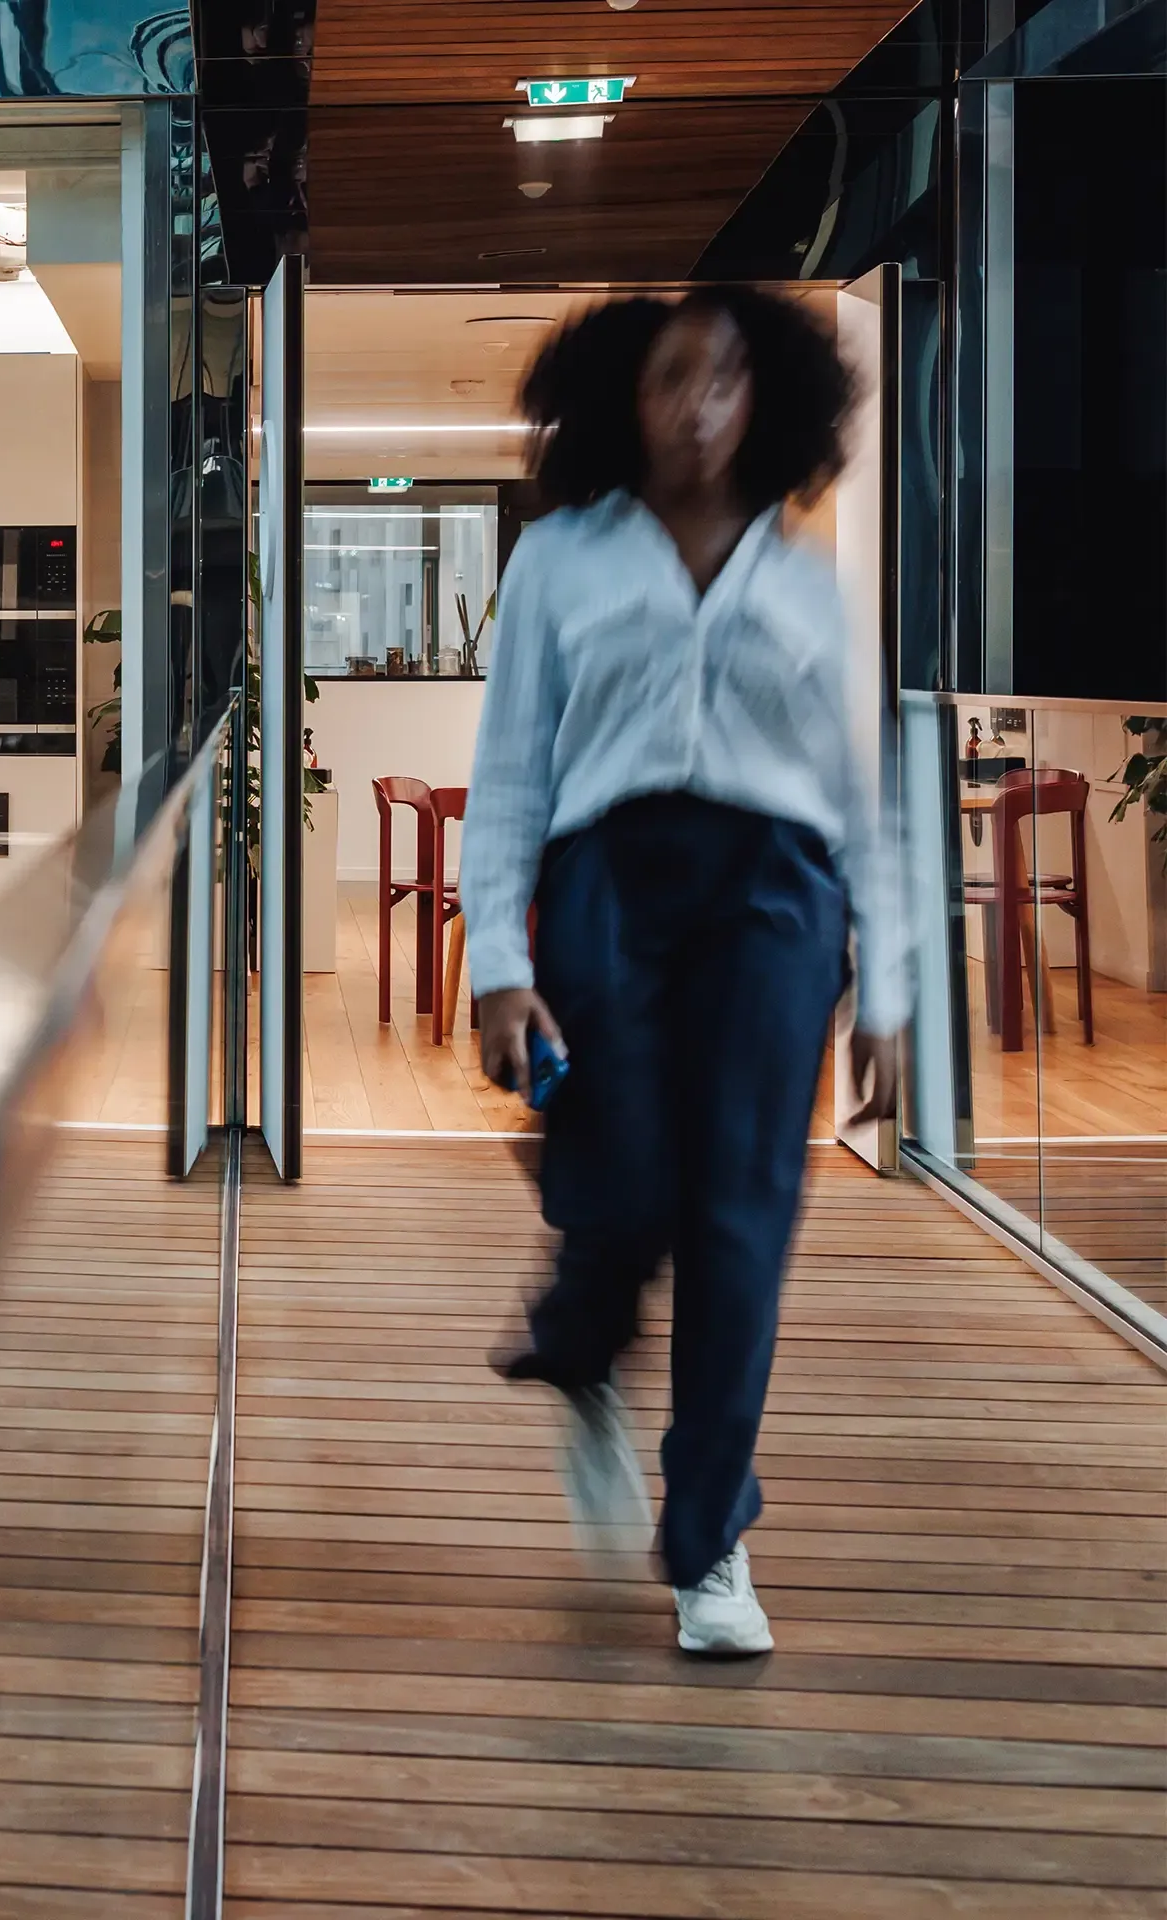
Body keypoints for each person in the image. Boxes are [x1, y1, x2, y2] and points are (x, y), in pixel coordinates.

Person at [465, 288, 903, 1658]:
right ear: (627, 397)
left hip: (776, 897)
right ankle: (583, 1344)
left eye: (724, 380)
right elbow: (510, 770)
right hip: (610, 881)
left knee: (740, 1220)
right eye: (671, 379)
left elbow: (861, 796)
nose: (699, 408)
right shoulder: (560, 560)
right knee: (622, 1175)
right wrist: (495, 959)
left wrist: (889, 986)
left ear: (765, 399)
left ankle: (710, 1538)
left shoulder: (806, 580)